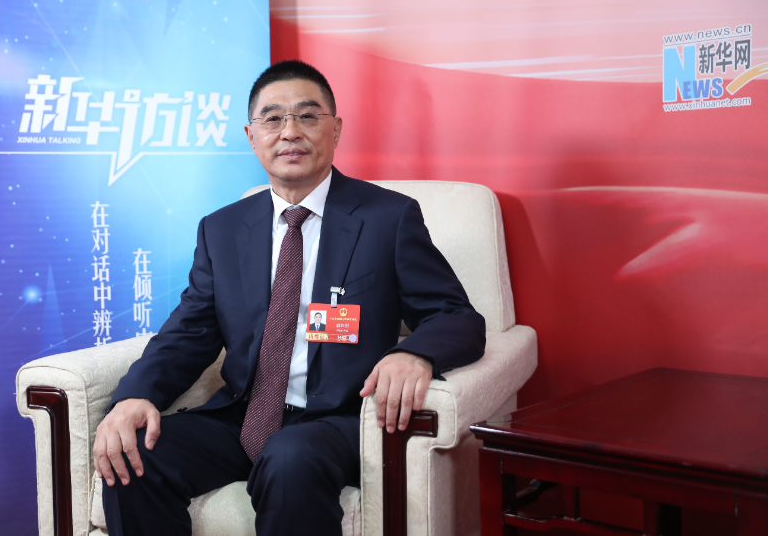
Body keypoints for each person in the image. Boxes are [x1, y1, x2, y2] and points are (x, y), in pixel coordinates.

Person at [93, 60, 485, 536]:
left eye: (308, 116)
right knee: (135, 453)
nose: (290, 131)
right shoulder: (222, 229)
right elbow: (188, 333)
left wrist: (414, 354)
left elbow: (456, 315)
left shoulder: (388, 218)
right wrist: (135, 396)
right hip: (242, 416)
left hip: (337, 419)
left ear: (335, 130)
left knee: (289, 457)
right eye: (273, 118)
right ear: (251, 135)